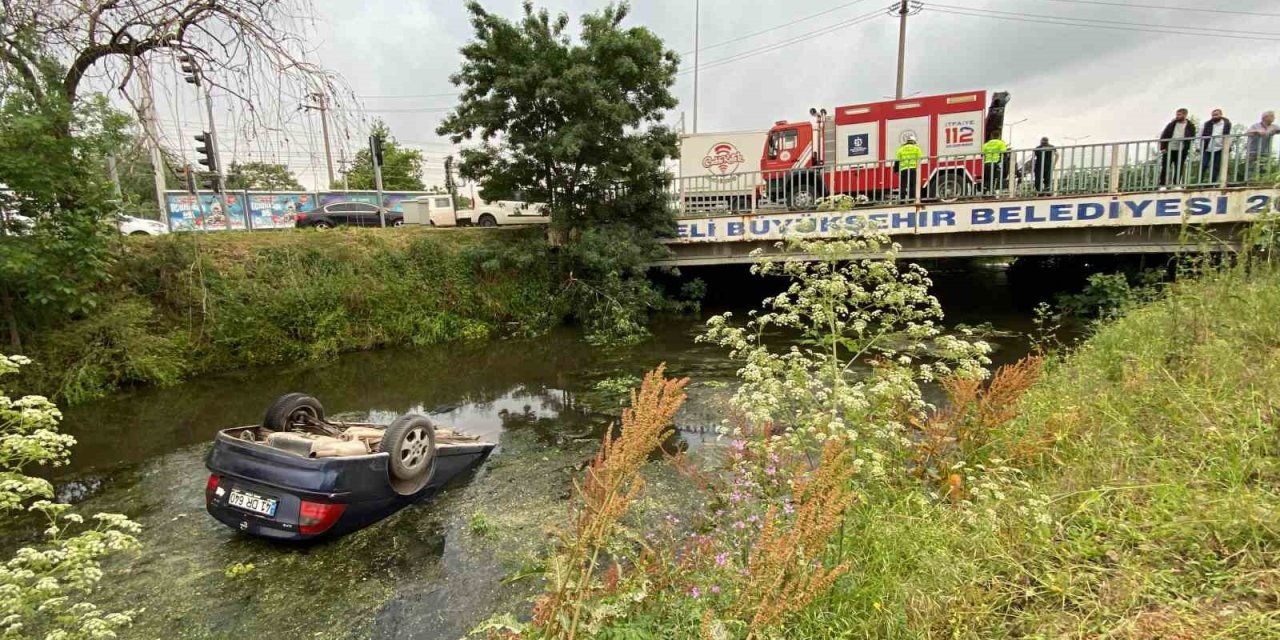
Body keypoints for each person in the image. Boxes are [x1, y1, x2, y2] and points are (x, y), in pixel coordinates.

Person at [1158, 108, 1197, 188]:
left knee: (1179, 167)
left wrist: (1187, 146)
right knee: (1165, 167)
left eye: (1179, 115)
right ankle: (1162, 185)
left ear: (1185, 115)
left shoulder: (1190, 126)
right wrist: (1163, 147)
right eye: (1177, 115)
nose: (1177, 116)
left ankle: (1176, 184)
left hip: (1182, 150)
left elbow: (1192, 137)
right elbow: (1164, 135)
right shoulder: (1171, 124)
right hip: (1169, 148)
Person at [1198, 108, 1232, 184]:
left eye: (1216, 115)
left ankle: (1212, 183)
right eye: (1213, 115)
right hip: (1207, 148)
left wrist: (1228, 146)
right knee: (1203, 165)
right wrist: (1198, 146)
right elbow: (1200, 135)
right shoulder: (1207, 124)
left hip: (1220, 148)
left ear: (1221, 115)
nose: (1214, 116)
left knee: (1216, 167)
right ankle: (1199, 183)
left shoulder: (1226, 124)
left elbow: (1228, 136)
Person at [1245, 111, 1280, 180]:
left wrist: (1272, 130)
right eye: (1272, 116)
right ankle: (1250, 183)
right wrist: (1257, 131)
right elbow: (1247, 132)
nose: (1274, 118)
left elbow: (1278, 129)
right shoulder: (1255, 126)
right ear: (1266, 117)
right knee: (1251, 169)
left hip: (1265, 152)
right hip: (1253, 151)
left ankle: (1262, 181)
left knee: (1264, 169)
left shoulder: (1273, 126)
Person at [895, 135, 923, 203]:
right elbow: (919, 159)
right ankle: (911, 200)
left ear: (907, 141)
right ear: (913, 141)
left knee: (903, 186)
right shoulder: (917, 148)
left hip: (903, 169)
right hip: (912, 168)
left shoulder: (901, 149)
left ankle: (902, 200)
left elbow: (897, 160)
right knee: (912, 185)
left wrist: (896, 170)